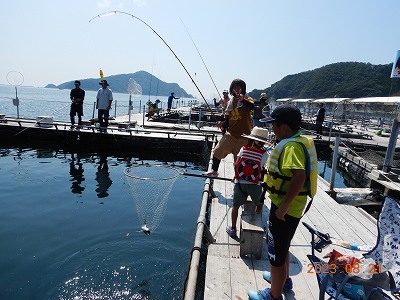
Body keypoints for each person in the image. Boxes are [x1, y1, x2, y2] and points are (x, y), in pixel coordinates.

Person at [248, 104, 318, 300]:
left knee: (275, 254)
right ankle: (284, 280)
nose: (272, 130)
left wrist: (284, 206)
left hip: (284, 209)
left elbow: (299, 177)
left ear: (285, 128)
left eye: (274, 126)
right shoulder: (297, 141)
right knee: (282, 246)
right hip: (290, 207)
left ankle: (273, 294)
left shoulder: (290, 147)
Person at [225, 127, 270, 238]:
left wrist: (235, 177)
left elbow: (237, 164)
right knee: (259, 205)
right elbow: (261, 167)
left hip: (240, 183)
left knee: (235, 206)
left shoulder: (243, 149)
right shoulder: (265, 154)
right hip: (255, 185)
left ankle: (233, 229)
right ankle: (256, 223)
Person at [203, 79, 254, 177]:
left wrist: (242, 100)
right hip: (231, 135)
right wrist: (221, 123)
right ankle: (214, 171)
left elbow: (252, 107)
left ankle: (239, 179)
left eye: (238, 87)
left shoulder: (248, 99)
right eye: (234, 87)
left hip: (245, 137)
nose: (236, 89)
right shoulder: (231, 102)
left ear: (243, 89)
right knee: (217, 151)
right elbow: (227, 120)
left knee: (240, 162)